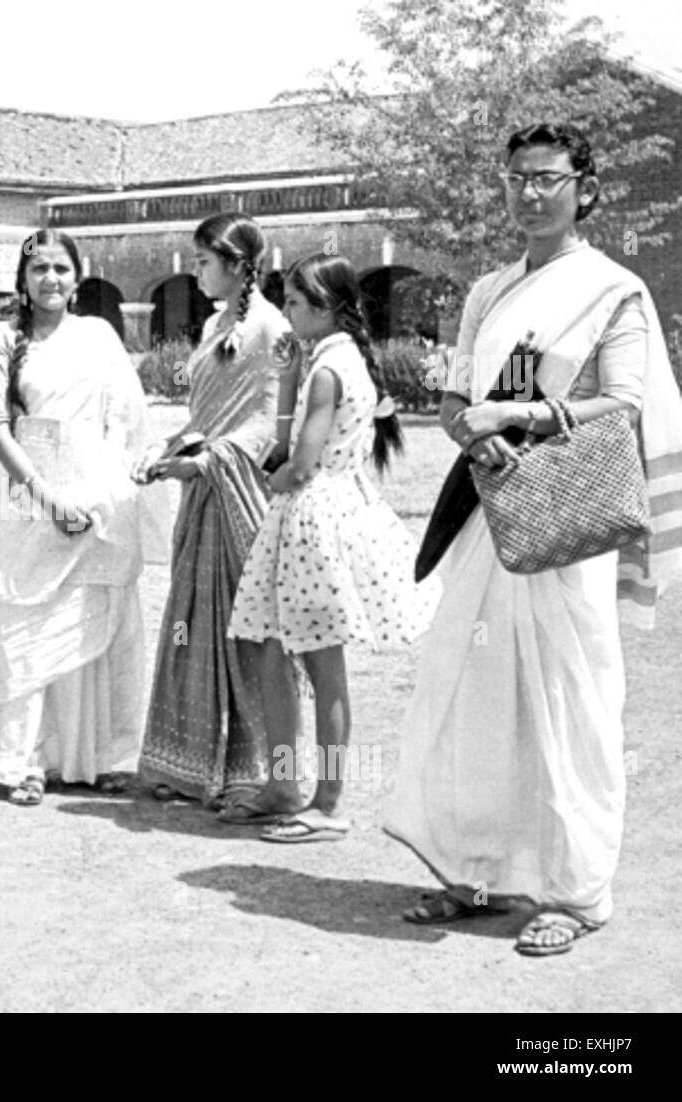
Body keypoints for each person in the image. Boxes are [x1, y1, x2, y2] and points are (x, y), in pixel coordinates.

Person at [385, 122, 682, 955]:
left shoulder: (612, 291)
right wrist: (475, 432)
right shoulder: (487, 292)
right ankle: (472, 871)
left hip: (566, 520)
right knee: (469, 680)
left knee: (569, 696)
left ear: (585, 188)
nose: (530, 192)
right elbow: (453, 399)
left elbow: (624, 403)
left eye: (549, 178)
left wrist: (521, 413)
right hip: (491, 507)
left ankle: (577, 892)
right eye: (517, 177)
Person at [227, 253, 437, 841]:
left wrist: (271, 479)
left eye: (293, 303)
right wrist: (290, 379)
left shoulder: (330, 369)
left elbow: (298, 463)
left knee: (321, 664)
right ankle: (283, 784)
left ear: (323, 307)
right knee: (270, 646)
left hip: (312, 519)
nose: (286, 312)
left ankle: (327, 802)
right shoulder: (327, 361)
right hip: (311, 516)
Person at [132, 213, 297, 814]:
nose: (196, 271)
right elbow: (204, 414)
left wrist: (206, 462)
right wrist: (170, 446)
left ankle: (257, 771)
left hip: (239, 490)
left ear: (235, 263)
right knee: (194, 617)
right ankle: (191, 763)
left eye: (203, 262)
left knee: (248, 630)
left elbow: (270, 421)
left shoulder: (271, 329)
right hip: (204, 485)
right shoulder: (213, 324)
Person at [0, 228, 149, 806]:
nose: (50, 279)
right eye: (38, 269)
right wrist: (49, 501)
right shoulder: (1, 338)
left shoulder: (98, 335)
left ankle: (90, 759)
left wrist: (107, 490)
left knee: (92, 620)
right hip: (28, 498)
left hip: (96, 502)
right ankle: (21, 760)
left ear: (78, 277)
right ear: (22, 280)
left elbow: (124, 418)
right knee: (25, 626)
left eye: (61, 268)